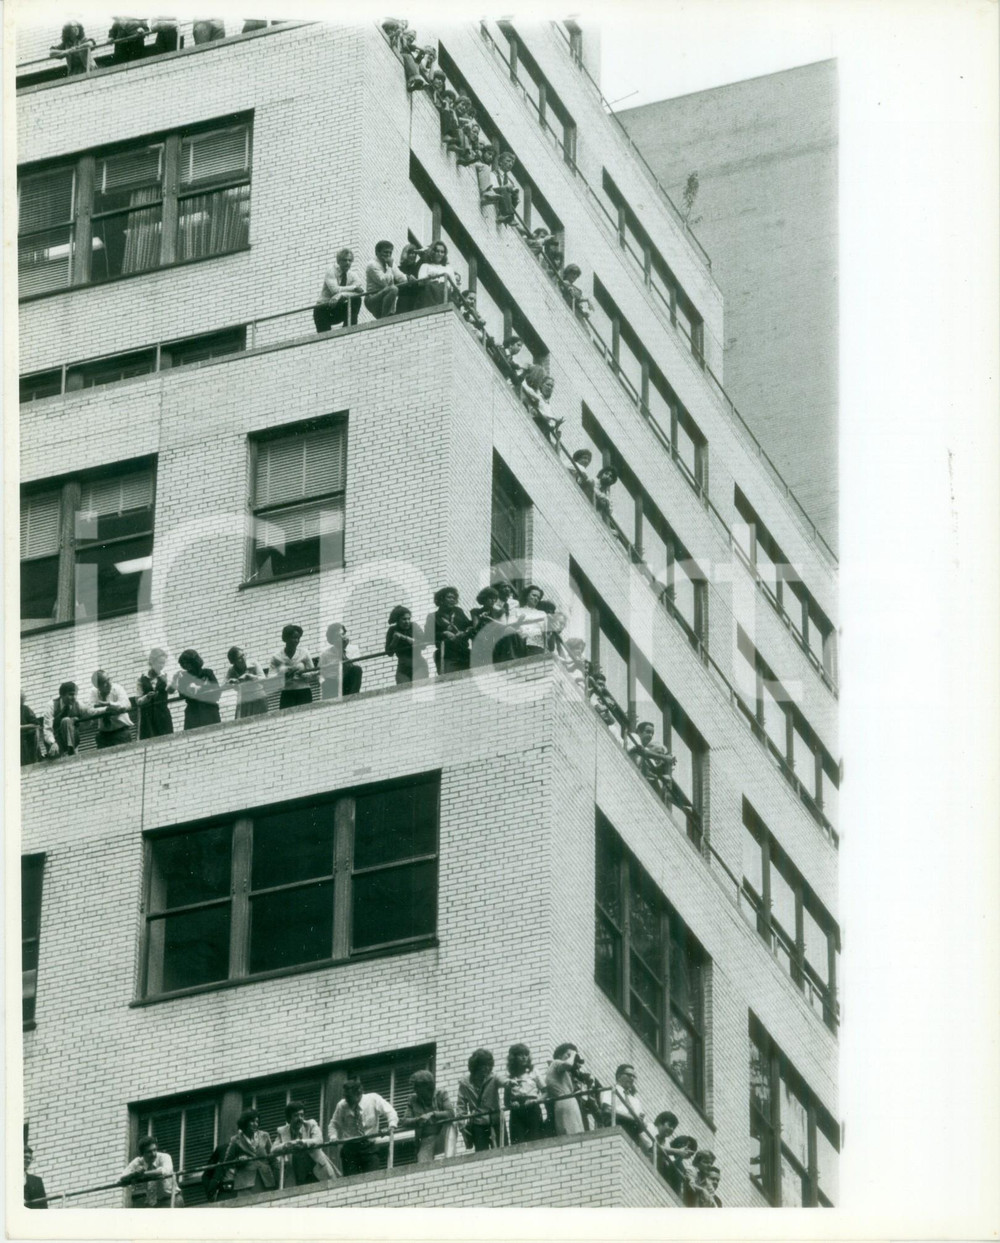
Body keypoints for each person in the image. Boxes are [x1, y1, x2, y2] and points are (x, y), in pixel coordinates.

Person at [328, 1078, 398, 1176]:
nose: (347, 1100)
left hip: (369, 1146)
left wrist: (391, 1127)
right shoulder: (342, 1105)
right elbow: (333, 1124)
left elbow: (390, 1112)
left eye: (349, 1097)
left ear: (359, 1093)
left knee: (372, 1178)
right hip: (350, 1148)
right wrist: (333, 1137)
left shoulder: (373, 1099)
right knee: (351, 1182)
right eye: (345, 1097)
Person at [273, 1101, 336, 1187]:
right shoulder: (282, 1131)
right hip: (298, 1175)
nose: (300, 1118)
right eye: (296, 1115)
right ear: (288, 1119)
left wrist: (303, 1142)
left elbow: (319, 1140)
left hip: (318, 1170)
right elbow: (273, 1150)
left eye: (302, 1115)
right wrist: (286, 1145)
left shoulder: (311, 1124)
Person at [402, 1070, 456, 1163]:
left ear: (426, 1086)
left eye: (416, 1087)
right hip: (427, 1138)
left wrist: (433, 1114)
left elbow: (451, 1113)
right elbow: (404, 1121)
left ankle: (450, 1163)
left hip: (443, 1133)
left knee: (451, 1125)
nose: (414, 1090)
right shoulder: (413, 1099)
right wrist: (419, 1119)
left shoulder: (441, 1094)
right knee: (422, 1163)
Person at [222, 1109, 278, 1197]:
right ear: (245, 1122)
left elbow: (273, 1158)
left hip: (266, 1181)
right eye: (252, 1121)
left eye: (257, 1121)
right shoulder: (235, 1140)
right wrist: (238, 1160)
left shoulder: (265, 1136)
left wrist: (277, 1178)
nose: (255, 1124)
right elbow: (226, 1163)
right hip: (245, 1184)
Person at [456, 1048, 501, 1152]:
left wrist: (508, 1083)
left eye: (488, 1065)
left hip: (495, 1121)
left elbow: (503, 1081)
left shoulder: (493, 1078)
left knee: (503, 1150)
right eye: (483, 1065)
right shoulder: (465, 1084)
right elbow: (460, 1106)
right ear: (476, 1066)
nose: (486, 1069)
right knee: (482, 1155)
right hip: (478, 1124)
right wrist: (462, 1126)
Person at [544, 1043, 593, 1135]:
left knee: (570, 1130)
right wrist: (573, 1054)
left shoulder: (560, 1072)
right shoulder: (556, 1063)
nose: (571, 1058)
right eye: (568, 1055)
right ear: (559, 1056)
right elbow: (568, 1064)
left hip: (564, 1102)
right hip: (566, 1101)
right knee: (572, 1130)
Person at [503, 1044, 547, 1145]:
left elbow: (546, 1092)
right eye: (520, 1055)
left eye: (526, 1055)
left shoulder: (534, 1072)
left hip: (532, 1108)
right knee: (518, 1142)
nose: (524, 1057)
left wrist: (536, 1101)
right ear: (513, 1058)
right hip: (517, 1112)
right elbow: (506, 1101)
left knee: (535, 1140)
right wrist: (511, 1104)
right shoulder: (509, 1077)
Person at [119, 1135, 180, 1207]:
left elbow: (166, 1171)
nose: (153, 1154)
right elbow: (121, 1179)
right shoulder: (138, 1162)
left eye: (154, 1150)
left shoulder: (164, 1157)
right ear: (142, 1154)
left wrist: (144, 1174)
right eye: (149, 1152)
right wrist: (134, 1174)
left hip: (172, 1199)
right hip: (154, 1204)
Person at [424, 587, 474, 676]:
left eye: (454, 598)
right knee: (451, 680)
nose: (452, 600)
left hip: (463, 652)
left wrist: (465, 631)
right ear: (441, 599)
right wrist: (444, 633)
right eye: (449, 597)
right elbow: (428, 636)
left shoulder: (458, 611)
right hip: (447, 654)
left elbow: (468, 625)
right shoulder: (433, 617)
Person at [313, 248, 364, 332]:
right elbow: (335, 290)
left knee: (356, 299)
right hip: (324, 309)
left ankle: (349, 330)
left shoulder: (353, 275)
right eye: (344, 260)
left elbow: (360, 292)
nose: (347, 263)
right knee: (325, 339)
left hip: (338, 308)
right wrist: (353, 287)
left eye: (350, 260)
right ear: (338, 261)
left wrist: (342, 295)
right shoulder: (331, 271)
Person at [600, 1064, 650, 1148]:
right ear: (619, 1076)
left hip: (632, 1135)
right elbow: (607, 1109)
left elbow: (642, 1123)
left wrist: (641, 1121)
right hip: (616, 1127)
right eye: (629, 1075)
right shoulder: (611, 1090)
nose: (632, 1078)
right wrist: (633, 1118)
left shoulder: (635, 1100)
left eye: (634, 1077)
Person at [173, 649, 222, 730]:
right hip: (193, 714)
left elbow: (217, 693)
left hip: (210, 711)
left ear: (194, 661)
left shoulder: (207, 673)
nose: (186, 666)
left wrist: (197, 689)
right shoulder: (184, 678)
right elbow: (182, 695)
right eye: (183, 664)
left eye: (187, 663)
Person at [270, 623, 315, 709]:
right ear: (286, 639)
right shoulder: (276, 657)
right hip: (287, 693)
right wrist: (282, 675)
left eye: (298, 638)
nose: (296, 641)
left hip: (304, 692)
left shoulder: (304, 653)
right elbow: (270, 677)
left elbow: (313, 672)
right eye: (294, 638)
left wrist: (304, 675)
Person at [86, 669, 134, 748]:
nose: (109, 684)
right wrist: (106, 709)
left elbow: (127, 704)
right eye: (104, 682)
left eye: (109, 679)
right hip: (104, 735)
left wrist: (111, 704)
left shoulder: (117, 688)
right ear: (98, 686)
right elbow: (90, 710)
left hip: (121, 732)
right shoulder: (93, 692)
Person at [385, 606, 428, 685]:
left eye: (408, 619)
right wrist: (395, 640)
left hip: (419, 665)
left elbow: (423, 645)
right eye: (404, 619)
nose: (407, 621)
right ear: (398, 620)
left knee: (419, 688)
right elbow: (389, 653)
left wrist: (405, 638)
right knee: (403, 692)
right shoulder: (392, 630)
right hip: (403, 668)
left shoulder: (414, 626)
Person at [136, 648, 174, 739]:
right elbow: (138, 701)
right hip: (148, 717)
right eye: (159, 663)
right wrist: (147, 697)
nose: (161, 666)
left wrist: (173, 685)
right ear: (152, 661)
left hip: (162, 715)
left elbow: (171, 691)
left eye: (163, 663)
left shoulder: (166, 676)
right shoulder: (142, 678)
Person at [319, 622, 362, 699]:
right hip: (333, 683)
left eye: (343, 634)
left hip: (347, 682)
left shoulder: (354, 649)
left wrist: (341, 651)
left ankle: (353, 698)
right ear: (332, 640)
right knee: (327, 683)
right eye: (338, 636)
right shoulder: (325, 654)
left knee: (357, 669)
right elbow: (320, 673)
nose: (342, 637)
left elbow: (356, 666)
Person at [628, 721, 675, 791]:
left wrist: (665, 764)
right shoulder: (634, 736)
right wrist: (665, 758)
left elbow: (654, 770)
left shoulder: (646, 749)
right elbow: (640, 750)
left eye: (652, 734)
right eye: (648, 732)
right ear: (638, 731)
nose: (650, 735)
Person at [364, 241, 406, 320]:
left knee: (401, 286)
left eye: (390, 252)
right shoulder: (372, 264)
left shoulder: (388, 262)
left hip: (384, 294)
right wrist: (389, 266)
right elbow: (385, 282)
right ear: (377, 252)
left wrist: (409, 278)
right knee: (393, 289)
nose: (388, 255)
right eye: (385, 252)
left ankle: (387, 318)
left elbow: (399, 276)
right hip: (373, 297)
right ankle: (385, 320)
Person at [414, 239, 461, 308]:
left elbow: (454, 286)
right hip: (430, 293)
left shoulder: (448, 268)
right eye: (437, 251)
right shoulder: (425, 266)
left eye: (442, 252)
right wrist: (429, 277)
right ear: (432, 252)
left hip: (445, 294)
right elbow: (420, 283)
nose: (440, 254)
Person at [225, 646, 269, 719]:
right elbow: (223, 685)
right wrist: (230, 682)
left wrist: (252, 677)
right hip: (244, 700)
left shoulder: (253, 663)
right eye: (240, 658)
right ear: (234, 662)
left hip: (258, 697)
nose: (243, 659)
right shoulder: (231, 670)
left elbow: (264, 679)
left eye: (243, 655)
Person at [521, 366, 563, 441]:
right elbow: (528, 390)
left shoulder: (548, 405)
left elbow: (550, 424)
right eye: (548, 385)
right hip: (537, 428)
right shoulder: (538, 397)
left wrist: (557, 425)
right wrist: (553, 418)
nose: (549, 388)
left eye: (551, 386)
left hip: (546, 433)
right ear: (541, 385)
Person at [481, 150, 520, 224]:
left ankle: (506, 216)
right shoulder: (493, 174)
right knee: (506, 188)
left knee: (515, 194)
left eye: (512, 162)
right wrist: (506, 188)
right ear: (500, 162)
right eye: (508, 161)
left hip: (503, 199)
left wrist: (515, 194)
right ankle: (509, 216)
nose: (510, 164)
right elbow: (492, 188)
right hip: (493, 194)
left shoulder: (510, 181)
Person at [49, 681, 87, 755]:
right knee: (65, 720)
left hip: (72, 741)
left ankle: (71, 750)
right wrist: (53, 743)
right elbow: (47, 729)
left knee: (67, 720)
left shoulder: (78, 704)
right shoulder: (52, 705)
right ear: (62, 695)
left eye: (75, 694)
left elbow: (90, 713)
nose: (74, 698)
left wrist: (77, 723)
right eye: (71, 694)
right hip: (57, 742)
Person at [512, 584, 549, 655]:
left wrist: (545, 650)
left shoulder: (542, 613)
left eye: (538, 597)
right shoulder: (517, 611)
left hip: (536, 646)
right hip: (520, 644)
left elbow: (545, 634)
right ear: (527, 596)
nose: (536, 598)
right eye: (534, 595)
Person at [396, 242, 424, 314]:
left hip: (415, 295)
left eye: (415, 253)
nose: (413, 255)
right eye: (411, 253)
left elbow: (424, 258)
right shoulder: (399, 268)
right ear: (406, 254)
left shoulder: (417, 267)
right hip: (404, 296)